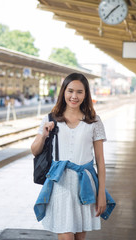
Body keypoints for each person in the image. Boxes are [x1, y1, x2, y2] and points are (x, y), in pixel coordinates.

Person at [31, 73, 108, 240]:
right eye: (70, 91)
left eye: (80, 92)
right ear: (63, 92)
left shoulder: (94, 121)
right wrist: (44, 134)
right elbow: (34, 150)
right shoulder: (51, 119)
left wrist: (101, 193)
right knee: (66, 236)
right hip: (60, 184)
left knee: (80, 238)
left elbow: (100, 161)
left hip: (85, 185)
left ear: (86, 94)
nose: (74, 96)